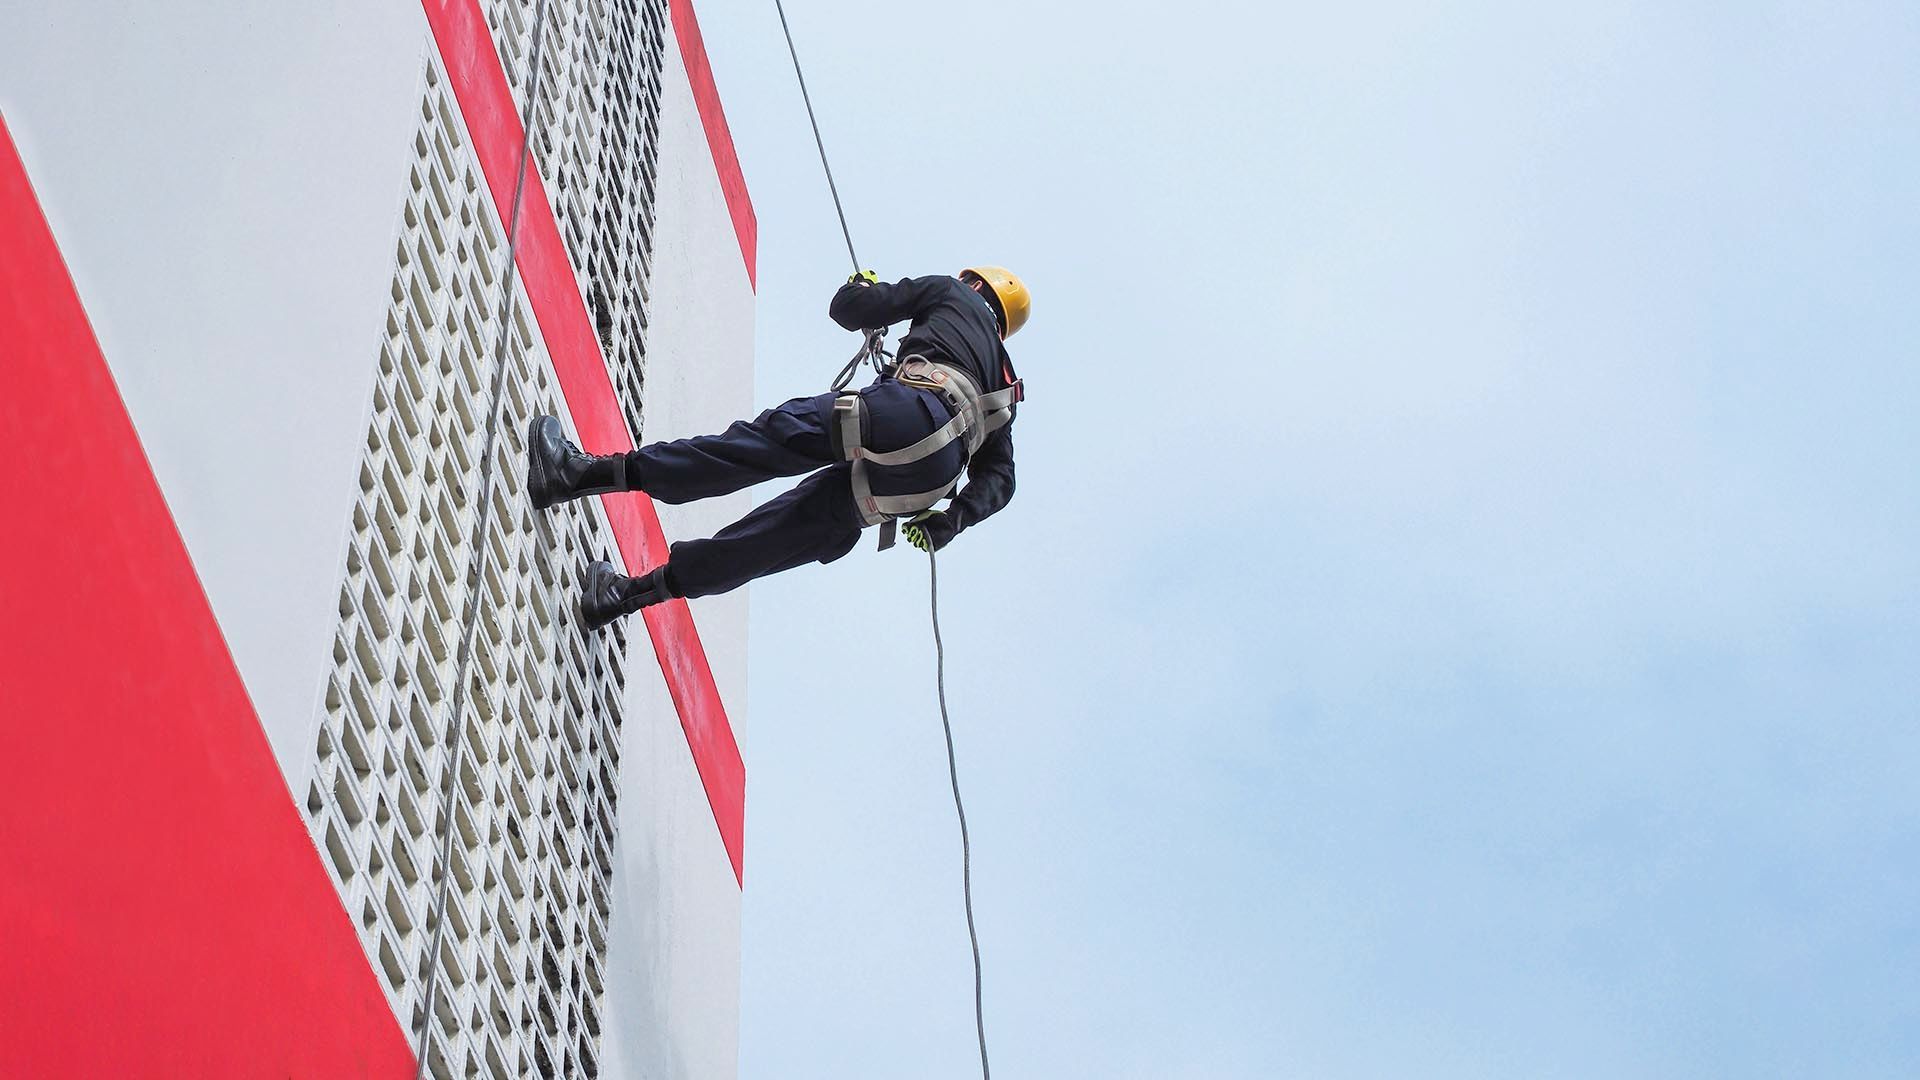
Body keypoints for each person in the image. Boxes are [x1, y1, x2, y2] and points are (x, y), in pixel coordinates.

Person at [525, 265, 1031, 630]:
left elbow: (849, 309)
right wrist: (951, 520)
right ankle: (621, 597)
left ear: (973, 285)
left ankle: (576, 475)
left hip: (904, 412)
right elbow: (1000, 481)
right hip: (923, 483)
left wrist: (861, 288)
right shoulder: (1006, 389)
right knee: (773, 538)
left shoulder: (949, 292)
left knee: (755, 447)